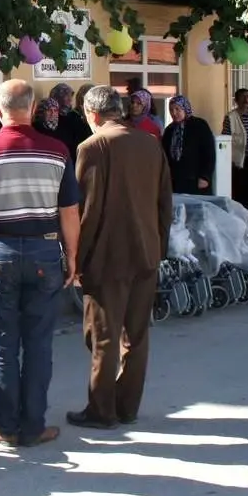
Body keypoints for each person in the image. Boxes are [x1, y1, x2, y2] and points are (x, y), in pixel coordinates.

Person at [0, 79, 80, 448]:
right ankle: (34, 426)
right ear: (32, 109)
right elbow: (69, 211)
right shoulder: (57, 151)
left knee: (3, 346)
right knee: (39, 345)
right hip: (45, 253)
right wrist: (72, 256)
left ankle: (6, 427)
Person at [67, 86, 173, 429]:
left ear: (92, 114)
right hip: (146, 252)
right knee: (136, 335)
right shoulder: (149, 143)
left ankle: (102, 409)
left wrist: (76, 260)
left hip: (107, 256)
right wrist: (160, 247)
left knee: (104, 335)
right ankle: (127, 405)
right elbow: (164, 204)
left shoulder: (93, 146)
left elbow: (87, 211)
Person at [161, 95, 216, 195]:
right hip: (176, 181)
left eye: (177, 109)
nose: (174, 113)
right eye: (171, 110)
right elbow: (164, 155)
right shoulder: (169, 130)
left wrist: (205, 176)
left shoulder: (199, 125)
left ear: (185, 108)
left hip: (196, 180)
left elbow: (209, 153)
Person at [222, 88, 248, 215]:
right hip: (238, 160)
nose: (246, 100)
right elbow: (226, 138)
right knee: (240, 189)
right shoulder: (231, 117)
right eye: (243, 97)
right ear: (236, 100)